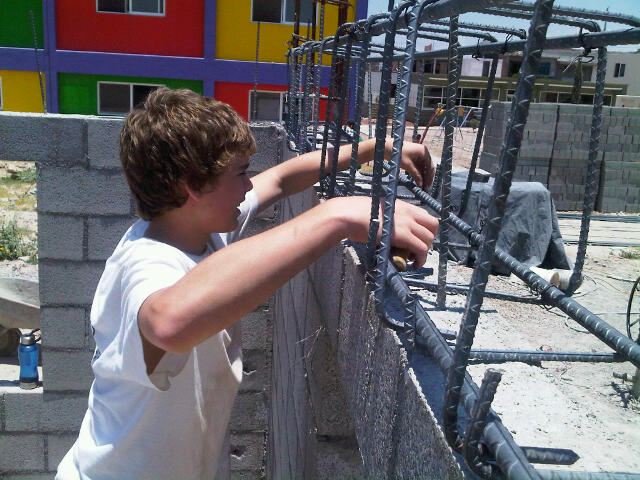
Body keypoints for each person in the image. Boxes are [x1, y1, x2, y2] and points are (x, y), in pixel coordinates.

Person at [56, 88, 438, 480]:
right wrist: (336, 217)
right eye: (240, 173)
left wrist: (375, 149)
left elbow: (284, 179)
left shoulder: (198, 227)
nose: (248, 186)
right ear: (192, 186)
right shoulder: (146, 262)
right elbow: (168, 324)